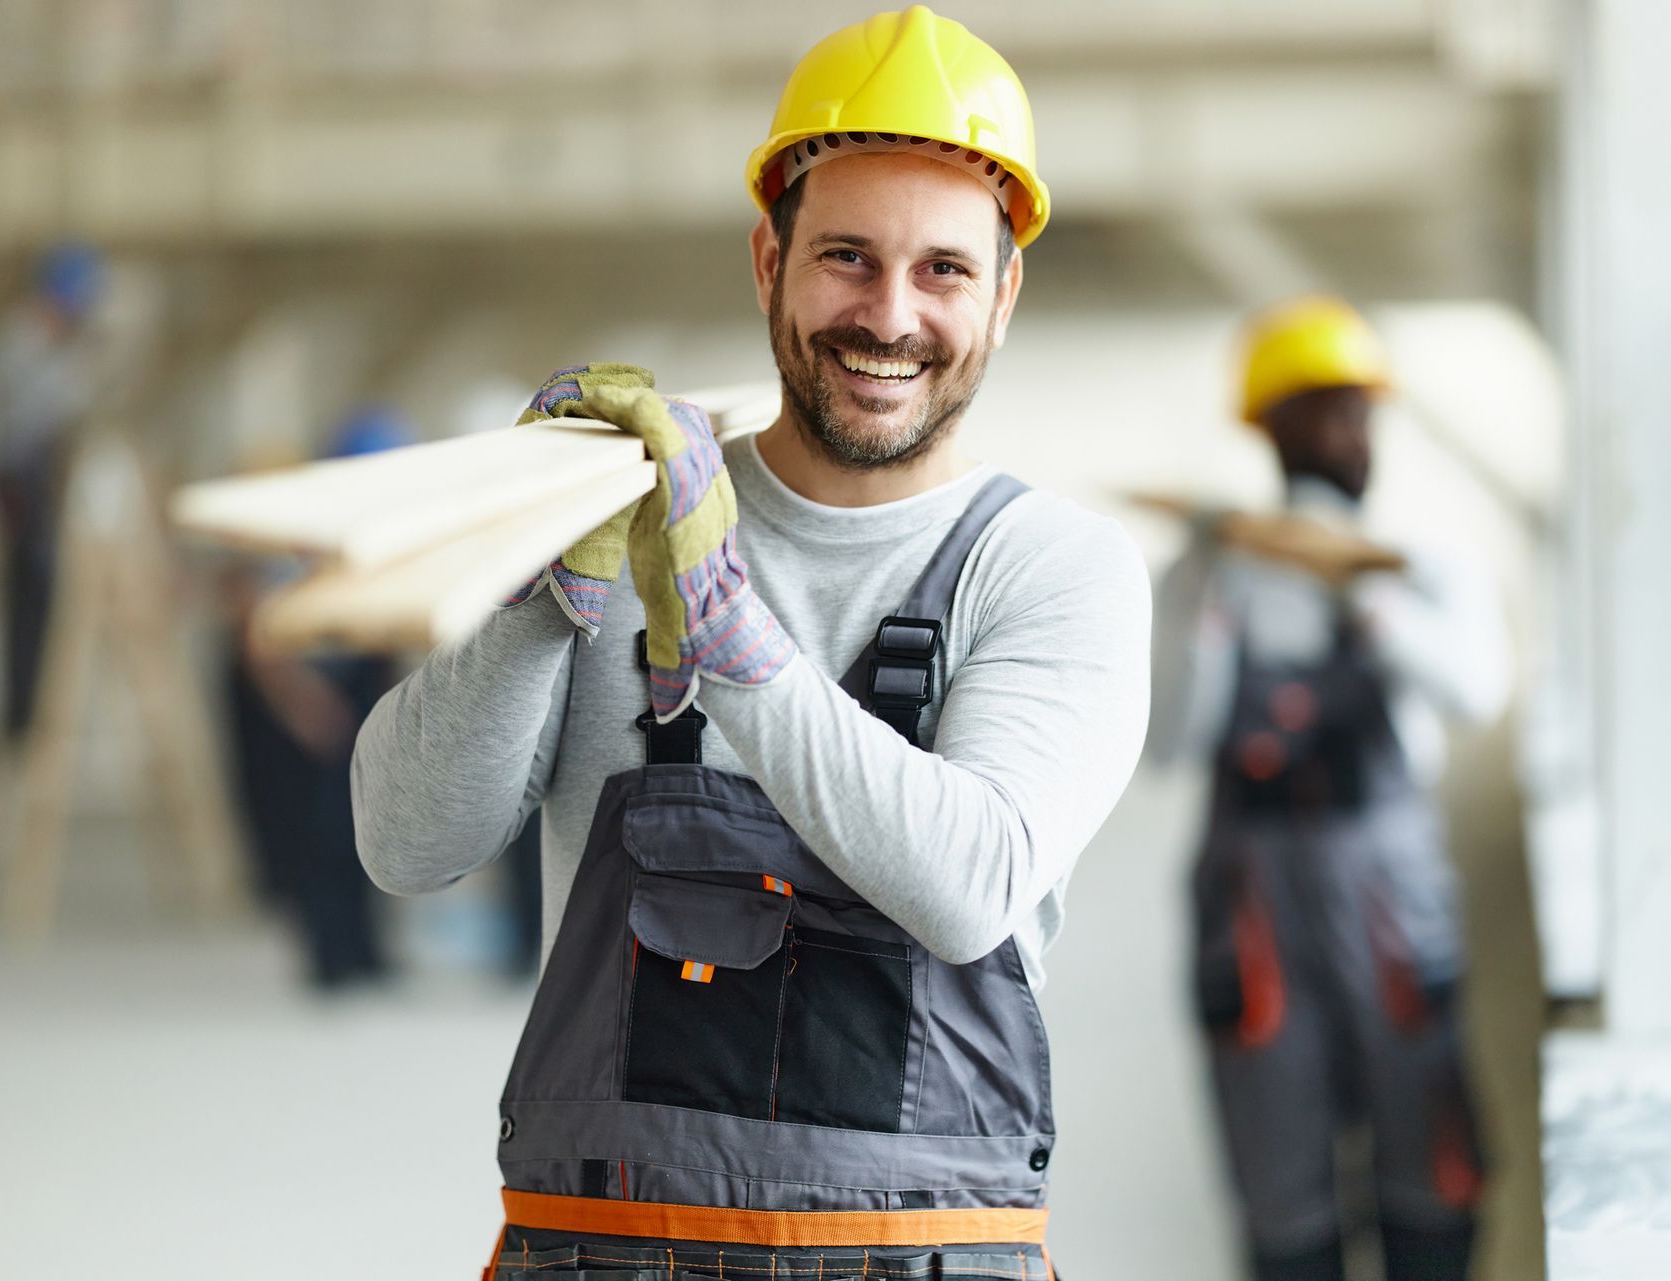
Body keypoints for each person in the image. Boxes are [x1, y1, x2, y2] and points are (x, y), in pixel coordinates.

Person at [350, 7, 1149, 1276]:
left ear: (1003, 293)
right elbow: (404, 845)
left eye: (941, 268)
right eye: (846, 255)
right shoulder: (615, 514)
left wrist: (722, 623)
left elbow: (965, 886)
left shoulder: (1057, 571)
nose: (888, 315)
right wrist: (537, 600)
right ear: (769, 260)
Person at [1149, 297, 1511, 1281]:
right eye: (1324, 412)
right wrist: (1209, 603)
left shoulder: (1414, 565)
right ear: (1270, 427)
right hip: (1253, 898)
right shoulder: (1206, 572)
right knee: (1280, 1178)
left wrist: (1369, 598)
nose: (1349, 437)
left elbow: (1477, 691)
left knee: (1425, 1152)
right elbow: (1167, 745)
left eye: (1359, 413)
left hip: (1386, 882)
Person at [223, 407, 408, 990]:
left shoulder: (373, 532)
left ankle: (365, 950)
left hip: (356, 685)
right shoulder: (297, 537)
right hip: (316, 692)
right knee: (322, 833)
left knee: (368, 829)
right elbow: (261, 637)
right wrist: (305, 705)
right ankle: (331, 956)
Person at [0, 243, 105, 737]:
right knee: (29, 594)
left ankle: (30, 707)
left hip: (34, 476)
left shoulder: (46, 344)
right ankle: (23, 712)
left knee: (41, 592)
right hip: (21, 479)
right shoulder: (22, 339)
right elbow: (42, 411)